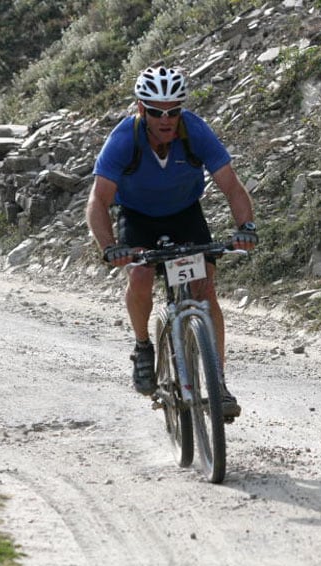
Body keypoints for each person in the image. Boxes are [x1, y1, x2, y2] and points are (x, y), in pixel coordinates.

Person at [86, 65, 258, 419]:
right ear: (140, 109)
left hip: (185, 214)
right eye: (155, 111)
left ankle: (218, 383)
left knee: (205, 290)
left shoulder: (194, 131)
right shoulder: (124, 139)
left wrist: (246, 226)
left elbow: (231, 185)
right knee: (140, 277)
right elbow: (98, 201)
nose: (166, 119)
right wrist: (109, 247)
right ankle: (143, 346)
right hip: (138, 217)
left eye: (173, 110)